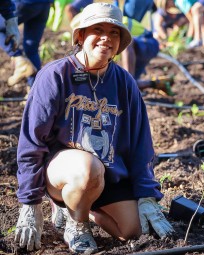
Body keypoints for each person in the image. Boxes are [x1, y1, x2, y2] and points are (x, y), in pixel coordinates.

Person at [14, 3, 174, 254]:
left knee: (132, 230)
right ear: (80, 36)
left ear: (120, 42)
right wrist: (30, 202)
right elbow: (32, 142)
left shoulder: (124, 82)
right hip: (65, 173)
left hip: (107, 174)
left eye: (114, 33)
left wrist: (147, 196)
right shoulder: (55, 76)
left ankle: (78, 210)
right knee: (89, 168)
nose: (106, 38)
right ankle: (76, 224)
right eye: (97, 29)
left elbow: (141, 143)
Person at [1, 0, 53, 87]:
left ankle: (19, 60)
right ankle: (34, 93)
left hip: (24, 3)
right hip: (44, 5)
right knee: (31, 49)